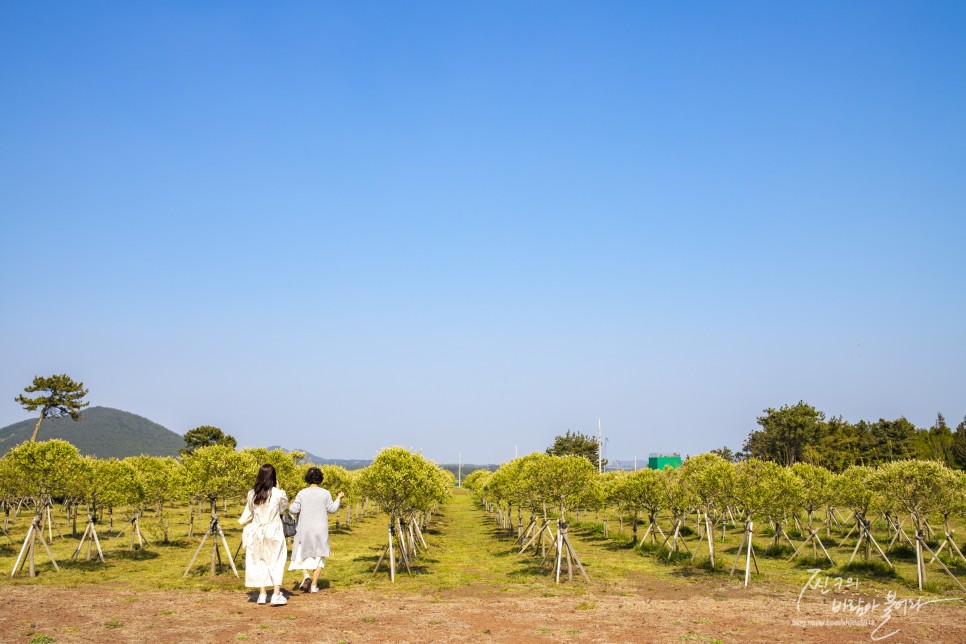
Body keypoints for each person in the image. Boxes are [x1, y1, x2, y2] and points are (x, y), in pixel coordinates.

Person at [239, 463, 289, 605]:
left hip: (257, 530)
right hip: (273, 530)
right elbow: (283, 509)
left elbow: (250, 511)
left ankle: (262, 594)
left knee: (259, 560)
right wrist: (278, 489)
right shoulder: (278, 493)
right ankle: (276, 593)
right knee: (276, 560)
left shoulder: (252, 493)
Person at [288, 466, 344, 592]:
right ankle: (313, 586)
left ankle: (306, 575)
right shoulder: (325, 493)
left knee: (301, 553)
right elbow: (332, 509)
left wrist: (290, 504)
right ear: (320, 479)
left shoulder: (302, 493)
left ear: (307, 478)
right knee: (320, 556)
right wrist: (338, 499)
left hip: (305, 529)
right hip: (320, 530)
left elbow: (294, 510)